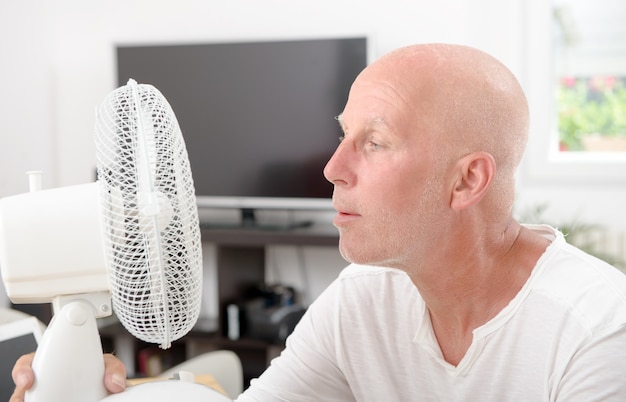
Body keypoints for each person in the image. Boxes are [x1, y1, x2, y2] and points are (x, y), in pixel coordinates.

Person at [11, 43, 626, 401]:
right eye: (342, 136)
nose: (332, 168)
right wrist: (119, 393)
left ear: (467, 180)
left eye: (375, 142)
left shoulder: (597, 330)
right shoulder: (363, 298)